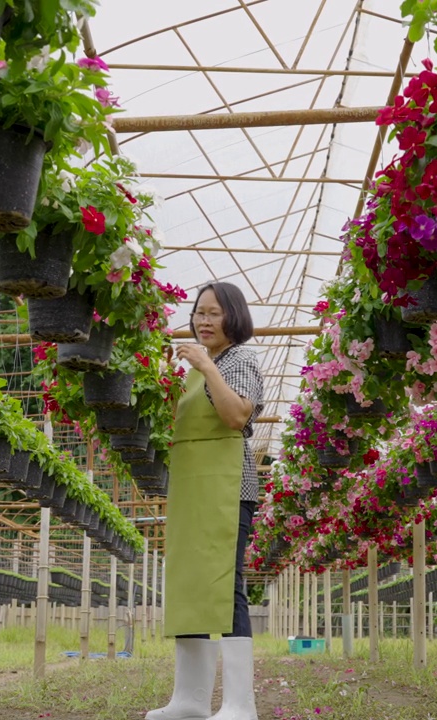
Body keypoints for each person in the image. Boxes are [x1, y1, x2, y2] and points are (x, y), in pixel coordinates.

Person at [147, 282, 264, 720]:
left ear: (233, 317)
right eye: (198, 313)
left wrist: (205, 367)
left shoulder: (239, 361)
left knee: (225, 583)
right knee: (190, 581)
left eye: (213, 313)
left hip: (228, 488)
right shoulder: (197, 368)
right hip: (193, 485)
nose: (203, 321)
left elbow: (236, 416)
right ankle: (190, 699)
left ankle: (239, 703)